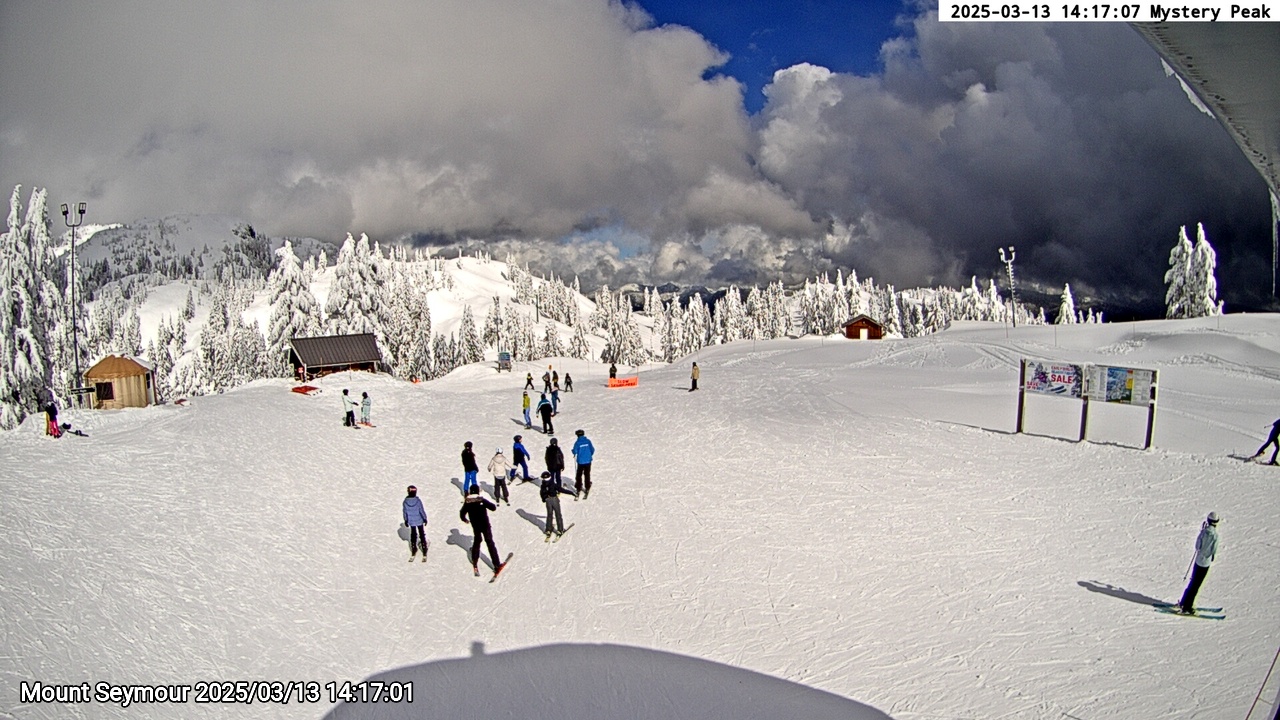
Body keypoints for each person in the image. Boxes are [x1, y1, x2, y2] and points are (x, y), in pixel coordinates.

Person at [1177, 511, 1220, 614]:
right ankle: (1187, 607)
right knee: (1196, 585)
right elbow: (1214, 550)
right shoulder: (1215, 536)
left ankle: (1183, 601)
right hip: (1205, 563)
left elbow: (1197, 546)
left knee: (1192, 582)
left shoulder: (1203, 532)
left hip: (1198, 560)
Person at [460, 488, 504, 576]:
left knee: (477, 541)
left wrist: (465, 519)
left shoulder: (467, 502)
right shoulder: (481, 500)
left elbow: (462, 513)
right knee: (490, 542)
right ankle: (497, 565)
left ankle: (474, 560)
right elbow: (493, 507)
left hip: (476, 526)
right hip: (485, 525)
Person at [540, 470, 570, 538]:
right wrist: (571, 493)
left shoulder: (543, 485)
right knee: (558, 514)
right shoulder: (552, 483)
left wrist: (544, 499)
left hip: (548, 500)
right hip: (554, 499)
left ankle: (548, 529)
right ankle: (560, 530)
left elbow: (541, 493)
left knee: (549, 514)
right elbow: (561, 489)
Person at [402, 485, 429, 562]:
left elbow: (405, 512)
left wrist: (406, 520)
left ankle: (414, 548)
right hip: (419, 520)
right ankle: (424, 547)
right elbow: (421, 510)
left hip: (411, 521)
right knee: (421, 533)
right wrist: (425, 518)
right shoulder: (418, 501)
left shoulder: (405, 502)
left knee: (413, 534)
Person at [572, 429, 595, 500]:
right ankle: (587, 486)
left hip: (581, 462)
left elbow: (575, 451)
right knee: (587, 474)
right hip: (588, 461)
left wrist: (573, 451)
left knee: (579, 475)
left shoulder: (577, 442)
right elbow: (592, 450)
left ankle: (578, 487)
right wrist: (588, 455)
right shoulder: (588, 441)